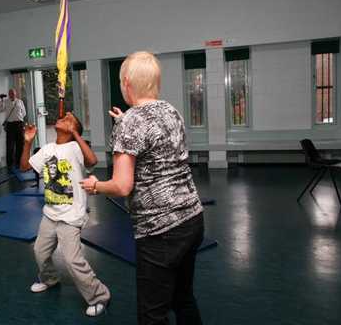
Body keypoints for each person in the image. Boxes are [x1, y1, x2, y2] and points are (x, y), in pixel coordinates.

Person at [80, 51, 205, 325]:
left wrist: (96, 185)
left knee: (152, 314)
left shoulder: (130, 123)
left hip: (160, 232)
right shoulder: (170, 110)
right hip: (192, 220)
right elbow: (153, 137)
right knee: (183, 298)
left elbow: (122, 186)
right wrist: (125, 121)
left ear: (126, 82)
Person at [21, 112, 111, 317]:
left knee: (72, 260)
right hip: (50, 214)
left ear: (73, 129)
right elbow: (24, 167)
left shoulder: (76, 147)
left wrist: (76, 135)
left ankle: (99, 296)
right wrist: (27, 142)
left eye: (69, 119)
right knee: (40, 252)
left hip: (71, 216)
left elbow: (92, 161)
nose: (62, 118)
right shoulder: (47, 149)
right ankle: (50, 279)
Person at [0, 88, 26, 169]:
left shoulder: (20, 101)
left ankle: (18, 162)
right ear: (9, 94)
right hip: (10, 125)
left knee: (20, 144)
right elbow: (0, 109)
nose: (12, 95)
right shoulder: (5, 102)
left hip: (19, 124)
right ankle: (10, 165)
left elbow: (24, 113)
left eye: (13, 93)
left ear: (16, 94)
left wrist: (19, 118)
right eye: (10, 93)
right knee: (10, 145)